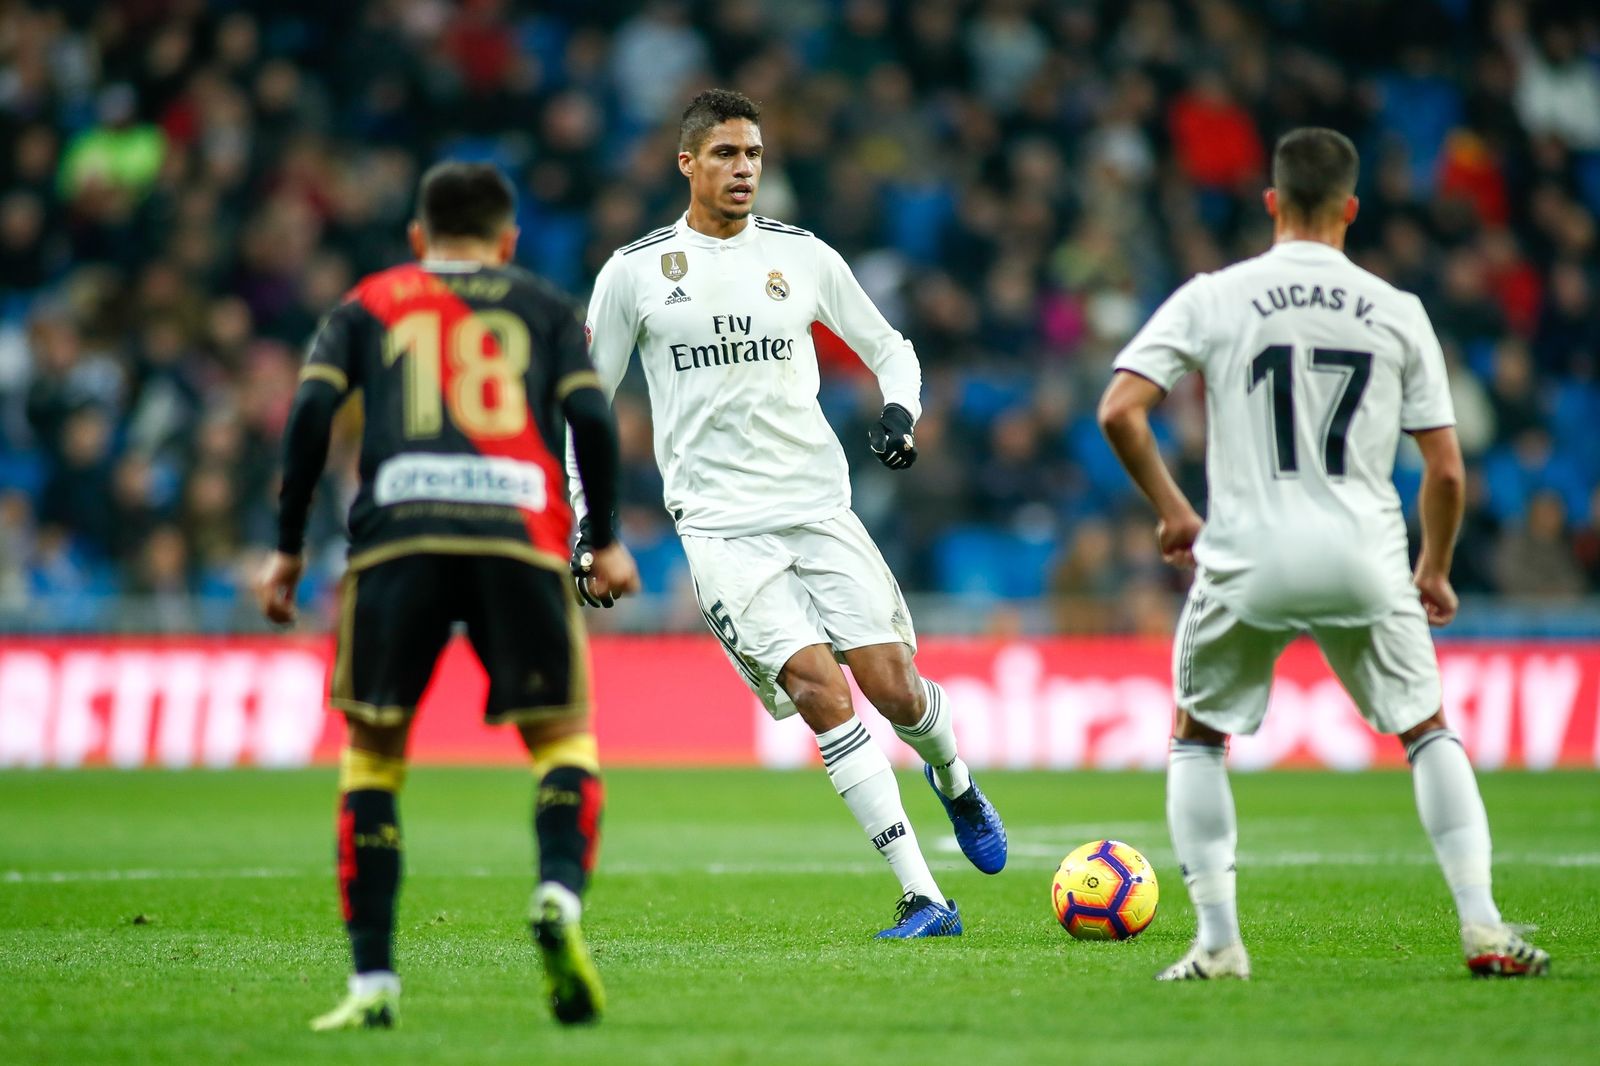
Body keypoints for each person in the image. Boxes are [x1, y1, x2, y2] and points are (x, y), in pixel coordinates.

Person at [1097, 127, 1550, 981]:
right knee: (1427, 730)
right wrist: (1434, 568)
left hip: (1247, 554)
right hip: (1364, 555)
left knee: (1197, 737)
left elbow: (1120, 410)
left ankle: (1219, 943)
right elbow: (1447, 470)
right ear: (1351, 208)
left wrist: (1175, 513)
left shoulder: (1216, 295)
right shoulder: (1397, 310)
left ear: (1272, 202)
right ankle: (1484, 926)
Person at [567, 88, 1006, 938]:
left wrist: (900, 413)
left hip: (817, 508)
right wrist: (592, 525)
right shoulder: (634, 273)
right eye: (726, 154)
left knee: (894, 689)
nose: (744, 169)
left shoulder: (802, 257)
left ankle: (954, 779)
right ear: (687, 163)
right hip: (720, 528)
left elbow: (891, 349)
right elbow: (587, 404)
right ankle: (924, 895)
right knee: (819, 690)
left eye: (754, 155)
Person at [256, 161, 639, 1029]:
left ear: (417, 237)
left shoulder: (369, 302)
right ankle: (557, 894)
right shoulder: (542, 305)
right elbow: (592, 417)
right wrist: (606, 537)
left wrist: (287, 548)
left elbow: (310, 415)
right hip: (516, 533)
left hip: (401, 538)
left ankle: (373, 985)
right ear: (508, 241)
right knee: (562, 742)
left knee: (374, 758)